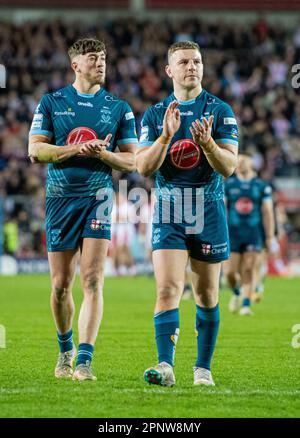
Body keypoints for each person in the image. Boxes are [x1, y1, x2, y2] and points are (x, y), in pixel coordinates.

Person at [28, 38, 137, 381]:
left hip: (99, 198)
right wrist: (76, 150)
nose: (100, 63)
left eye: (103, 57)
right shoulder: (52, 102)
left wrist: (103, 155)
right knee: (61, 284)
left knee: (92, 279)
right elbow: (35, 151)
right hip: (61, 200)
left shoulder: (119, 108)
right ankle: (65, 350)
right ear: (75, 65)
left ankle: (85, 361)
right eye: (93, 58)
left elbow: (133, 160)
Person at [136, 41, 238, 386]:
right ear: (169, 70)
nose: (191, 67)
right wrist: (165, 137)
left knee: (207, 294)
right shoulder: (155, 115)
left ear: (203, 67)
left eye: (196, 61)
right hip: (170, 209)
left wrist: (209, 144)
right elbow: (142, 167)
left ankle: (203, 369)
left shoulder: (221, 111)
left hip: (208, 209)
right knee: (167, 289)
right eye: (183, 62)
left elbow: (229, 167)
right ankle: (165, 366)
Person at [224, 154, 276, 315]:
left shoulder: (261, 186)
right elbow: (222, 209)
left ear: (251, 163)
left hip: (254, 233)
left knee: (248, 269)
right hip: (232, 233)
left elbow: (267, 212)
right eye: (237, 162)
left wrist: (269, 236)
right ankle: (237, 293)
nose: (240, 165)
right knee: (230, 273)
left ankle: (246, 305)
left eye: (243, 161)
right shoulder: (228, 184)